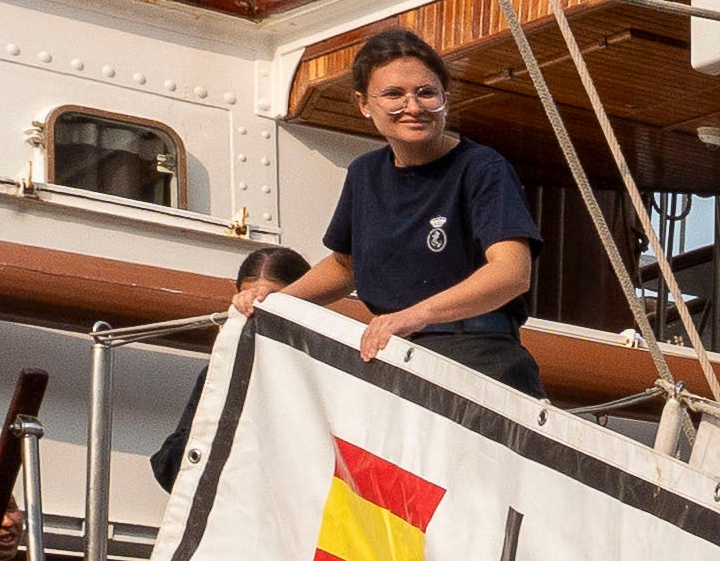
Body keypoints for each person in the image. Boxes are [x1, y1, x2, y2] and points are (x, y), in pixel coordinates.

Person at [228, 29, 543, 389]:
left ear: (445, 100)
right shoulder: (364, 174)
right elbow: (345, 266)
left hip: (479, 359)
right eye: (394, 94)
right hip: (391, 360)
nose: (413, 106)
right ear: (365, 104)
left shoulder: (482, 168)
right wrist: (271, 302)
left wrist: (415, 317)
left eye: (426, 93)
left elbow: (511, 273)